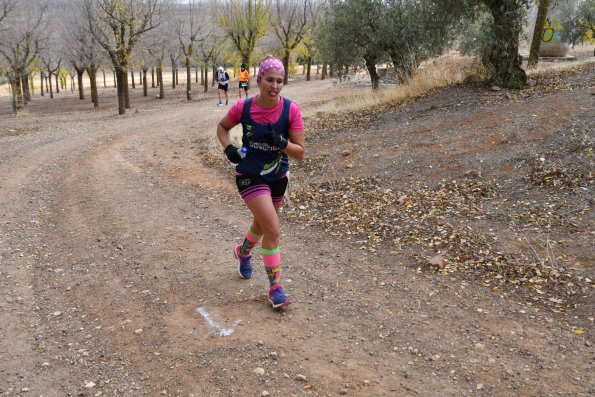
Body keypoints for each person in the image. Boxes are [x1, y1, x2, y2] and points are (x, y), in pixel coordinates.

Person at [216, 56, 305, 309]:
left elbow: (300, 152)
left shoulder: (291, 110)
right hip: (249, 174)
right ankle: (275, 288)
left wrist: (281, 142)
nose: (274, 86)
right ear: (259, 80)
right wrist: (228, 149)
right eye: (269, 80)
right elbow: (222, 128)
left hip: (277, 176)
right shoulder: (243, 108)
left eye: (279, 81)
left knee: (262, 224)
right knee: (273, 229)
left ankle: (243, 252)